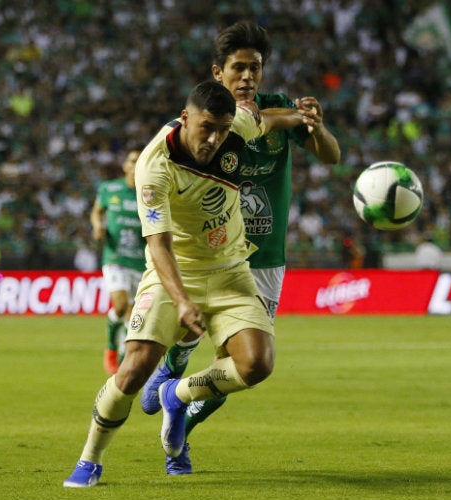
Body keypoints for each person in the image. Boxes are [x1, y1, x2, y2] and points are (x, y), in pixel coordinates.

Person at [63, 80, 304, 487]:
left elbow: (265, 120)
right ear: (186, 117)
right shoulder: (154, 166)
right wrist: (183, 302)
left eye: (223, 129)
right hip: (175, 272)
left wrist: (301, 115)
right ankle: (90, 458)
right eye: (206, 127)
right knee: (136, 367)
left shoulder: (236, 127)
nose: (215, 138)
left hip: (230, 270)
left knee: (257, 364)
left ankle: (177, 395)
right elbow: (159, 245)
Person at [140, 21, 341, 475]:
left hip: (263, 256)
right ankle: (174, 361)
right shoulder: (206, 119)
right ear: (218, 72)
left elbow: (330, 155)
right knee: (193, 324)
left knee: (235, 366)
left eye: (255, 68)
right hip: (210, 250)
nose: (248, 76)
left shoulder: (279, 109)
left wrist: (318, 128)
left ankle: (180, 415)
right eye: (238, 68)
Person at [89, 149, 145, 374]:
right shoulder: (109, 189)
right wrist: (97, 226)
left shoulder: (150, 193)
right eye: (132, 161)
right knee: (120, 305)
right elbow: (96, 212)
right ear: (125, 165)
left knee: (133, 316)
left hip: (140, 261)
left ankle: (123, 356)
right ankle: (111, 347)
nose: (135, 165)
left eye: (140, 161)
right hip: (115, 257)